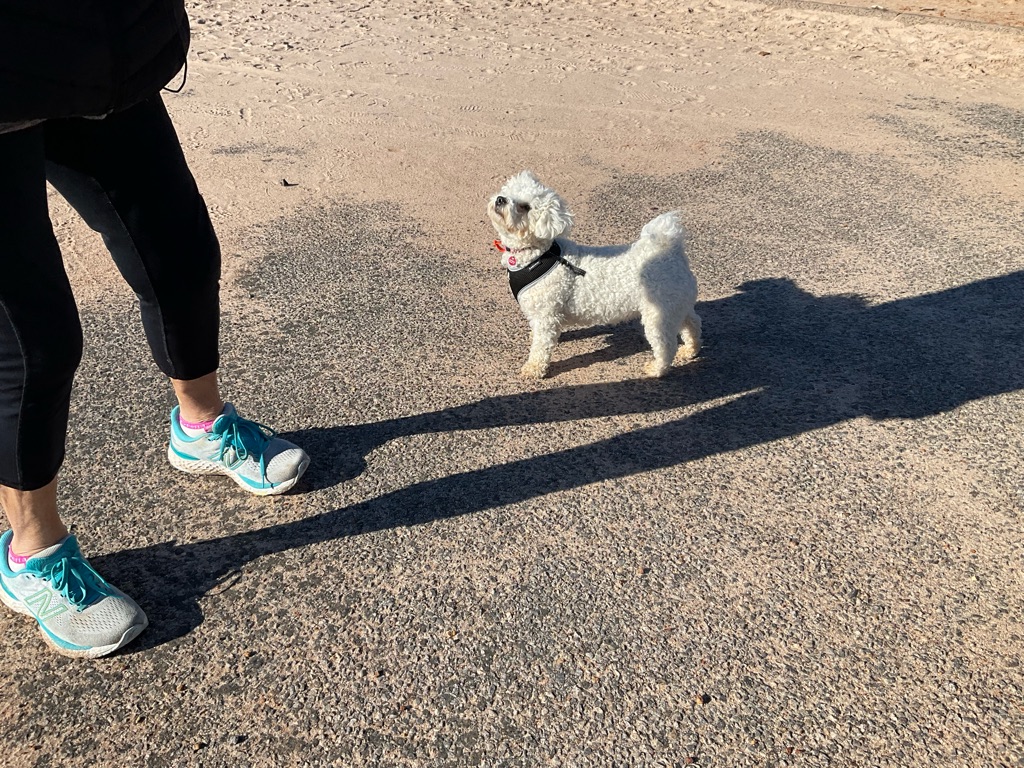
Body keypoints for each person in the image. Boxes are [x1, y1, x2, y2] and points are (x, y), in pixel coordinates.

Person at [0, 1, 309, 658]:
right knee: (34, 344)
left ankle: (202, 428)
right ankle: (33, 553)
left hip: (96, 46)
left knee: (181, 256)